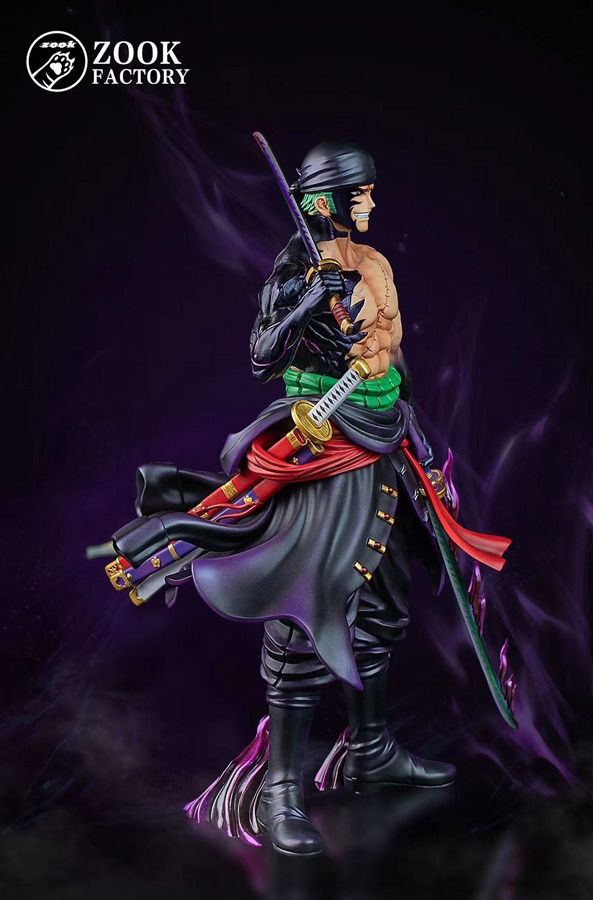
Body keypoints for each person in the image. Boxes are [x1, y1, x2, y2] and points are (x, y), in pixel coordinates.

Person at [112, 141, 511, 857]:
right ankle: (279, 793)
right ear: (327, 200)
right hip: (320, 445)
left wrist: (414, 435)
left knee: (382, 609)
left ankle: (369, 751)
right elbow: (262, 355)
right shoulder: (295, 272)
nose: (372, 202)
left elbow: (389, 358)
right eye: (362, 192)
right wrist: (303, 303)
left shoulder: (372, 262)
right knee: (305, 613)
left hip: (384, 439)